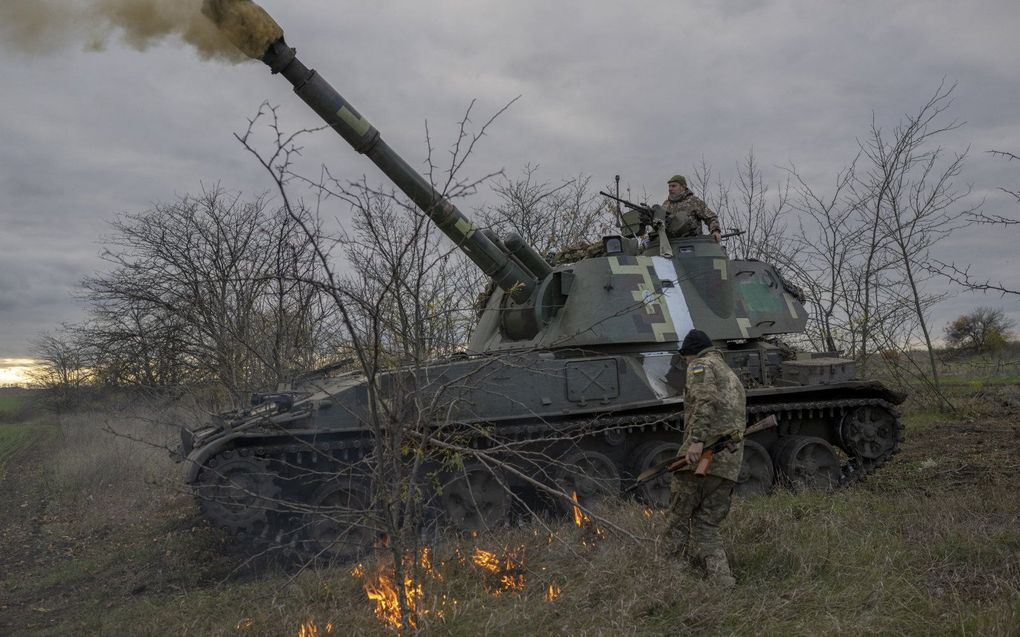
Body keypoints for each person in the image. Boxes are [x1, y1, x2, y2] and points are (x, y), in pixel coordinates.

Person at [664, 328, 746, 587]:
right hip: (729, 466)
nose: (686, 362)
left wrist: (696, 442)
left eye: (685, 358)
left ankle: (666, 579)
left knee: (677, 521)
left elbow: (704, 401)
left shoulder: (700, 366)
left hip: (701, 461)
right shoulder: (730, 374)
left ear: (691, 353)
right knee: (706, 525)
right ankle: (722, 580)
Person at [661, 175, 721, 242]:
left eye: (674, 186)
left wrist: (715, 231)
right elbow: (659, 223)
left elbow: (711, 217)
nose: (670, 189)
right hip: (671, 245)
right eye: (669, 186)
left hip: (693, 243)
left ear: (683, 187)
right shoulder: (666, 204)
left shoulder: (693, 201)